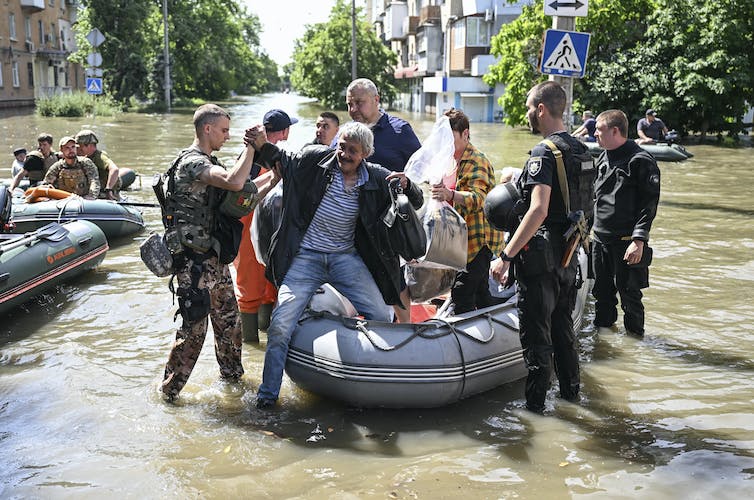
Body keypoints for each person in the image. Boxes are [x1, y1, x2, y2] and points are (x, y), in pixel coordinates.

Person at [251, 121, 424, 409]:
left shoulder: (377, 178)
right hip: (306, 257)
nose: (344, 154)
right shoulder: (314, 161)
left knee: (382, 314)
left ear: (366, 154)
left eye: (352, 151)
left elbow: (414, 202)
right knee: (280, 324)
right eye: (341, 146)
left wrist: (407, 184)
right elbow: (279, 158)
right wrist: (259, 144)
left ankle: (372, 383)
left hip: (345, 258)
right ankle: (267, 397)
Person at [159, 104, 280, 401]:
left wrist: (275, 176)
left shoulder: (209, 161)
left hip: (213, 261)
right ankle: (168, 394)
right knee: (193, 333)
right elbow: (235, 182)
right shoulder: (192, 163)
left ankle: (233, 383)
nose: (227, 136)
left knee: (230, 324)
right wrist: (251, 147)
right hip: (193, 264)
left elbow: (241, 197)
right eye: (224, 130)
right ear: (208, 129)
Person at [489, 81, 586, 414]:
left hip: (540, 260)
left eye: (530, 107)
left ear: (542, 109)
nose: (528, 114)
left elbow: (539, 209)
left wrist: (505, 256)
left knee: (537, 343)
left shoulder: (544, 152)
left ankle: (534, 415)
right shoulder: (581, 148)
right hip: (569, 257)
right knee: (564, 335)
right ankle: (572, 400)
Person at [345, 77, 421, 323]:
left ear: (376, 101)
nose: (354, 109)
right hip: (353, 222)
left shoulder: (400, 131)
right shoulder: (347, 135)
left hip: (389, 224)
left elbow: (421, 168)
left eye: (360, 103)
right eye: (349, 104)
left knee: (394, 278)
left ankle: (406, 330)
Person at [592, 109, 661, 336]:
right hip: (599, 240)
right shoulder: (603, 156)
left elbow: (649, 204)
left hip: (626, 242)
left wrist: (639, 239)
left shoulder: (640, 160)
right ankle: (602, 341)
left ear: (614, 130)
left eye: (599, 130)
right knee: (601, 294)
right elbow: (596, 197)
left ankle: (635, 343)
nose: (594, 134)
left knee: (630, 295)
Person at [430, 108, 503, 314]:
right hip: (458, 238)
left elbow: (479, 199)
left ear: (465, 133)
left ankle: (470, 337)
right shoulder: (447, 160)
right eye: (442, 137)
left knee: (462, 292)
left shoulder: (476, 160)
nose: (445, 142)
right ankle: (493, 321)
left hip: (479, 239)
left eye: (450, 137)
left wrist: (449, 195)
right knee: (480, 292)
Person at [233, 108, 297, 343]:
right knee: (255, 290)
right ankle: (252, 343)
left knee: (264, 289)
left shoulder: (247, 154)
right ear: (285, 131)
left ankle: (256, 345)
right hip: (253, 232)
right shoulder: (279, 156)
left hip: (256, 232)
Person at [74, 129, 121, 200]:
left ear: (90, 146)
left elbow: (114, 170)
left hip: (104, 192)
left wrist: (108, 189)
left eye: (81, 147)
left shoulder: (99, 157)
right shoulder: (84, 157)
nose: (78, 149)